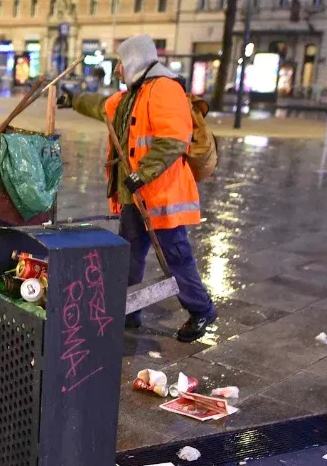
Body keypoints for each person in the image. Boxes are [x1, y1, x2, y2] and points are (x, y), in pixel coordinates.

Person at [59, 34, 216, 343]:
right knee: (129, 257)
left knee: (176, 258)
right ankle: (128, 310)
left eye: (121, 62)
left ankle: (201, 310)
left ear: (133, 61)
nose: (118, 68)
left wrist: (143, 174)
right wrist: (74, 98)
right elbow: (103, 107)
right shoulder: (134, 93)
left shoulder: (165, 90)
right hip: (136, 196)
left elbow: (173, 140)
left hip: (162, 196)